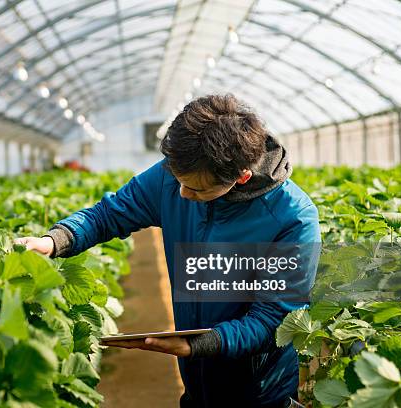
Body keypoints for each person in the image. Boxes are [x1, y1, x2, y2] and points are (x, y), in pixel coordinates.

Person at [16, 94, 320, 408]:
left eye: (198, 189)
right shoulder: (176, 172)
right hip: (196, 383)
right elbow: (110, 213)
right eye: (177, 180)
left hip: (259, 393)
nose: (182, 194)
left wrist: (201, 344)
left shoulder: (292, 219)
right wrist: (55, 240)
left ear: (241, 177)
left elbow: (274, 321)